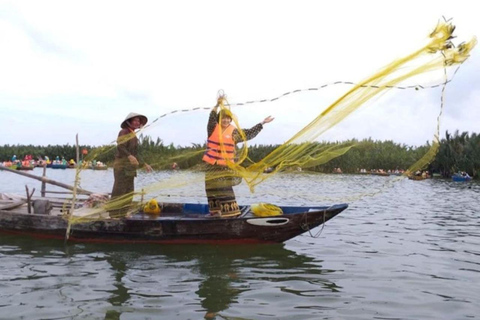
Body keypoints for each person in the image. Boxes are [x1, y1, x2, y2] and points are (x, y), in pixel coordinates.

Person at [203, 95, 274, 218]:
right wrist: (217, 104)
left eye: (227, 119)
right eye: (223, 118)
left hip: (225, 167)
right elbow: (211, 116)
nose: (225, 121)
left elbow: (249, 133)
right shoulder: (212, 128)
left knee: (224, 188)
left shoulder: (234, 133)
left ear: (230, 120)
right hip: (211, 166)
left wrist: (262, 123)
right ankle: (216, 212)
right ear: (219, 119)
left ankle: (230, 213)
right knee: (211, 189)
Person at [110, 112, 152, 215]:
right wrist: (129, 156)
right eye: (135, 120)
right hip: (121, 166)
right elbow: (120, 146)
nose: (137, 122)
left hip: (130, 168)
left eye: (139, 121)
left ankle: (123, 213)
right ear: (129, 122)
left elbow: (135, 154)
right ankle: (114, 214)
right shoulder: (124, 132)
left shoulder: (134, 135)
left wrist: (144, 164)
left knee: (129, 191)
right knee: (119, 190)